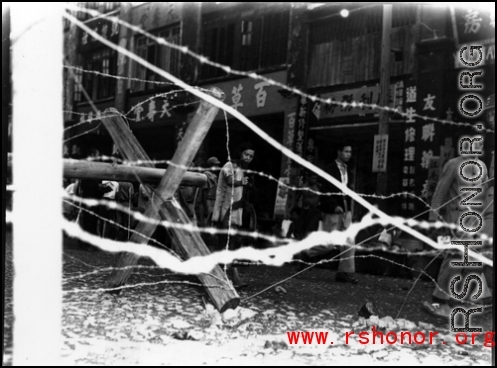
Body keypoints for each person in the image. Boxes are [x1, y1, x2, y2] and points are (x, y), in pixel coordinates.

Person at [423, 132, 492, 317]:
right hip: (455, 217)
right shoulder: (453, 164)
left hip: (475, 218)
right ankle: (440, 300)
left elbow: (484, 193)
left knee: (474, 258)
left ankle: (471, 298)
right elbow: (440, 192)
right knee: (454, 257)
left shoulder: (483, 167)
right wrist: (434, 217)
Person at [303, 143, 359, 284]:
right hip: (332, 209)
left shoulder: (348, 169)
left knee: (349, 242)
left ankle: (344, 272)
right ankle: (305, 252)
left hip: (346, 208)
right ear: (338, 151)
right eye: (345, 151)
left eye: (350, 152)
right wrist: (334, 206)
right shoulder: (329, 169)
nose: (348, 154)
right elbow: (324, 193)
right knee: (328, 244)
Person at [212, 142, 255, 288]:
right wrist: (242, 182)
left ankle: (222, 277)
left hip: (236, 212)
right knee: (228, 243)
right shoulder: (229, 165)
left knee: (227, 243)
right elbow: (230, 181)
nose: (248, 158)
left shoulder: (242, 169)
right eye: (246, 154)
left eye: (251, 156)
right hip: (225, 211)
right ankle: (233, 278)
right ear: (240, 153)